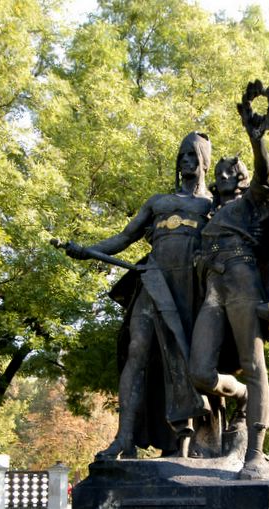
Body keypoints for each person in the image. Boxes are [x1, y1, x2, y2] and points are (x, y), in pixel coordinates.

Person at [64, 132, 213, 459]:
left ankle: (183, 443)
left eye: (192, 155)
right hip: (154, 279)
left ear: (204, 160)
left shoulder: (212, 206)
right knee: (137, 350)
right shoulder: (158, 202)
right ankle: (124, 438)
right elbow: (125, 236)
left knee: (184, 357)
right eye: (181, 156)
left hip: (190, 288)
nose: (185, 161)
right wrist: (89, 250)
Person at [189, 80, 269, 479]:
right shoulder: (207, 212)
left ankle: (255, 453)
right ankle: (244, 394)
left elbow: (268, 177)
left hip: (241, 282)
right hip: (211, 289)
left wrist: (257, 139)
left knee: (254, 363)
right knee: (199, 372)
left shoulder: (250, 204)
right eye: (221, 170)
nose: (226, 172)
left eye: (235, 170)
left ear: (243, 178)